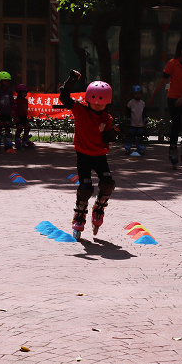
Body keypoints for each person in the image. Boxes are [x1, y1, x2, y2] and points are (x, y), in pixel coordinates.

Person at [58, 70, 118, 239]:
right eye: (95, 102)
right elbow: (64, 97)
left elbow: (106, 138)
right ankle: (79, 214)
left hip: (100, 156)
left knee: (107, 184)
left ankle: (99, 207)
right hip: (83, 155)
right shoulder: (80, 110)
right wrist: (71, 81)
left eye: (102, 103)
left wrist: (112, 133)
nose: (99, 105)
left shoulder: (107, 118)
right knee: (85, 188)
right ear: (88, 100)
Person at [148, 39, 182, 169]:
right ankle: (172, 151)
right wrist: (153, 95)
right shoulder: (172, 63)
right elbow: (163, 80)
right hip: (173, 98)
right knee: (176, 124)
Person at [0, 71, 15, 151]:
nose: (7, 82)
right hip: (0, 112)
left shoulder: (9, 91)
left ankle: (7, 140)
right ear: (1, 81)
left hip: (7, 112)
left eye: (8, 81)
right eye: (5, 81)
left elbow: (12, 101)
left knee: (7, 126)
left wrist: (12, 110)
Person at [124, 85, 147, 156]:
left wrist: (145, 118)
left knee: (139, 136)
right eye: (135, 94)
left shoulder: (142, 103)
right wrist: (128, 119)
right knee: (130, 135)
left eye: (139, 93)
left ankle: (140, 148)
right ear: (133, 94)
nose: (137, 95)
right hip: (132, 123)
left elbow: (144, 112)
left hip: (140, 123)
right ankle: (128, 148)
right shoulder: (131, 102)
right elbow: (128, 111)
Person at [13, 84, 34, 149]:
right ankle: (17, 139)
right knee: (19, 127)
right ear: (19, 93)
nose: (25, 94)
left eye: (26, 93)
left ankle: (25, 138)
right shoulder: (17, 101)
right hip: (18, 116)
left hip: (24, 116)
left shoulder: (25, 100)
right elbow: (15, 110)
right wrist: (15, 117)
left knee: (27, 127)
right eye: (23, 93)